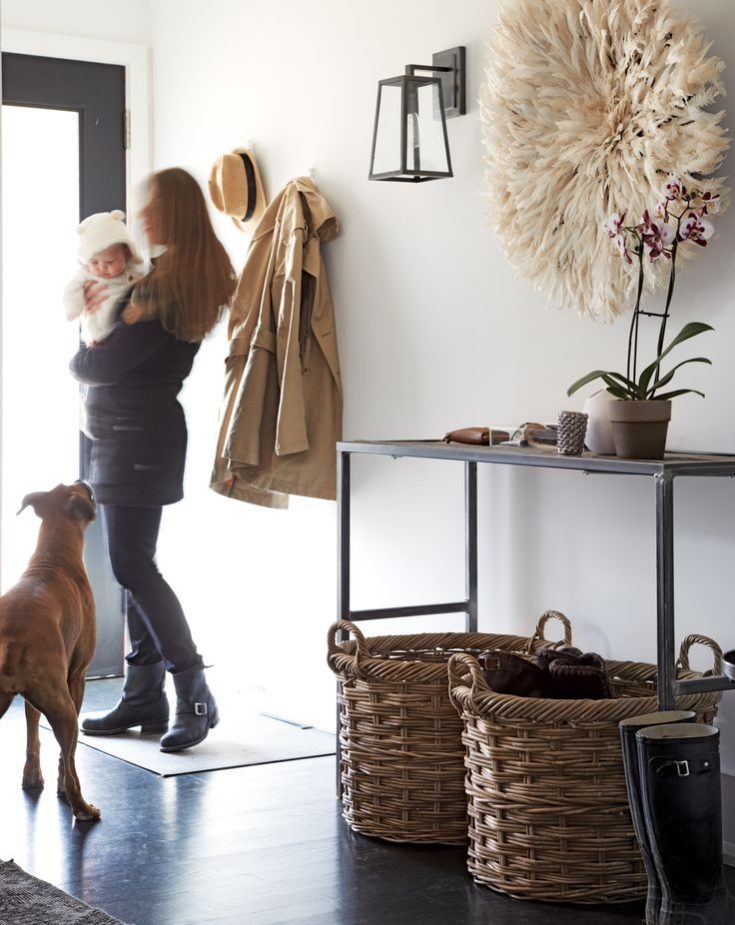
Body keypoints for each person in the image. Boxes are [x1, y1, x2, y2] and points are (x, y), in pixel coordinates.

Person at [70, 168, 236, 752]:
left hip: (135, 439)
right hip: (133, 436)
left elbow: (101, 366)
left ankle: (193, 691)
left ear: (174, 212)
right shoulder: (175, 276)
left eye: (151, 206)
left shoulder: (168, 288)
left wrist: (81, 355)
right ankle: (144, 697)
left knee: (132, 566)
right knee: (135, 563)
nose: (140, 216)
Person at [63, 210, 148, 345]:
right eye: (94, 262)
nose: (101, 268)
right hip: (97, 328)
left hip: (124, 329)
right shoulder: (85, 274)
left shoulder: (133, 272)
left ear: (126, 255)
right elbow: (70, 290)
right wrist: (73, 309)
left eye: (110, 262)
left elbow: (144, 277)